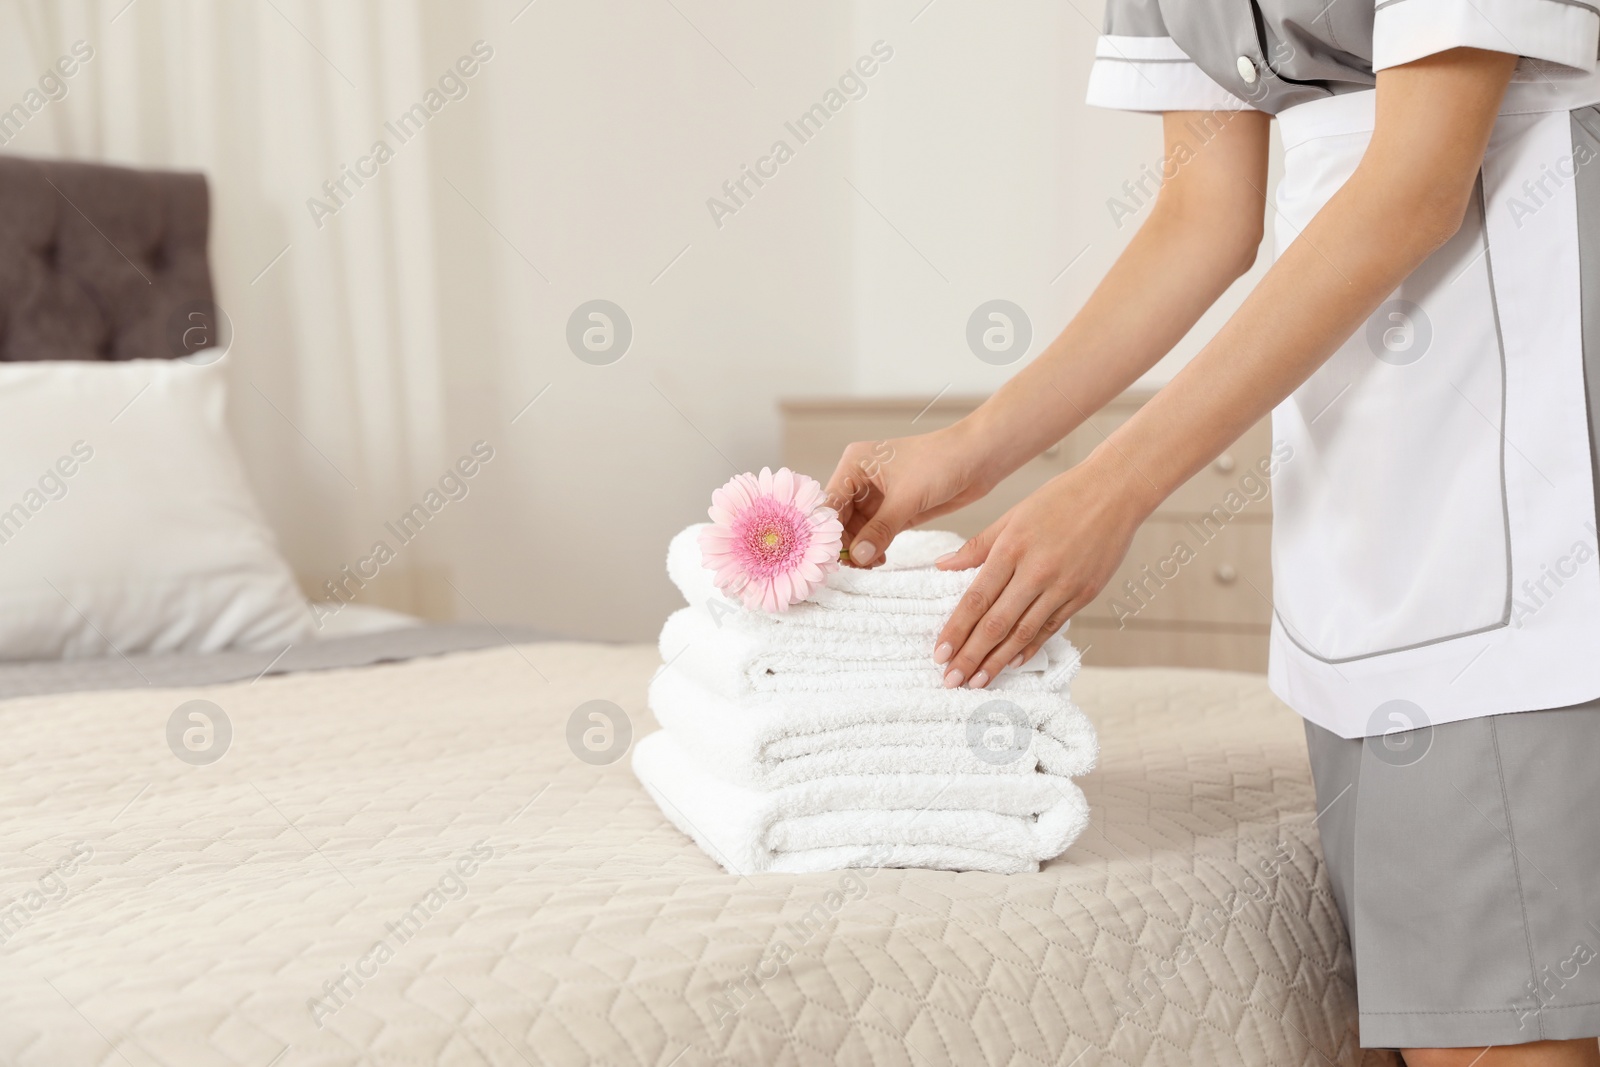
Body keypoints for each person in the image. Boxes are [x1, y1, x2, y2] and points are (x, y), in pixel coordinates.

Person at [823, 4, 1600, 1064]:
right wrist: (965, 450)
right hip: (1372, 452)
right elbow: (1203, 214)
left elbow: (1418, 179)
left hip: (1526, 389)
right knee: (1422, 1019)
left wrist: (1112, 488)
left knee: (1499, 1034)